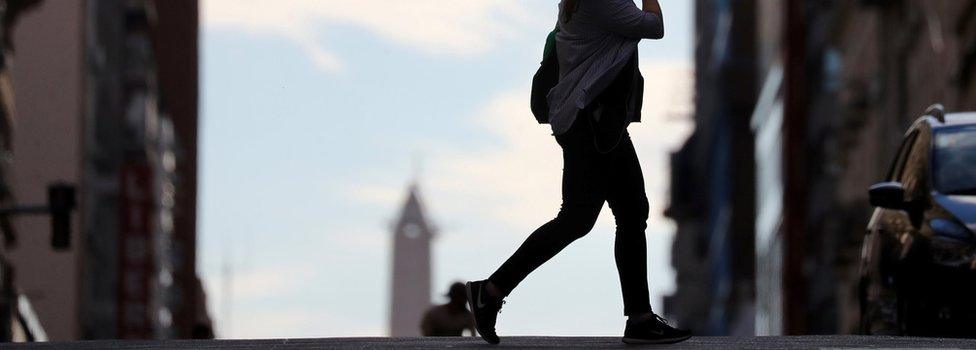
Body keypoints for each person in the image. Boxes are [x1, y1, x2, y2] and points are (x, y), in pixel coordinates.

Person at [465, 0, 691, 345]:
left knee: (606, 215)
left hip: (591, 121)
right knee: (606, 215)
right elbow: (652, 26)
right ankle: (639, 320)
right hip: (593, 122)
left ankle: (492, 291)